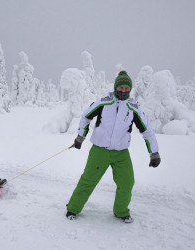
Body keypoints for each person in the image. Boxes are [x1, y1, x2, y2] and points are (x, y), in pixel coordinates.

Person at [66, 71, 161, 223]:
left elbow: (147, 130)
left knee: (127, 182)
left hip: (121, 153)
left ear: (130, 89)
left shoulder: (133, 107)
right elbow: (85, 116)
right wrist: (80, 137)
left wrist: (154, 153)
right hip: (100, 151)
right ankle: (73, 208)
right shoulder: (104, 102)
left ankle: (121, 211)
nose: (124, 90)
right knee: (88, 180)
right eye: (121, 87)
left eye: (126, 88)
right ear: (116, 87)